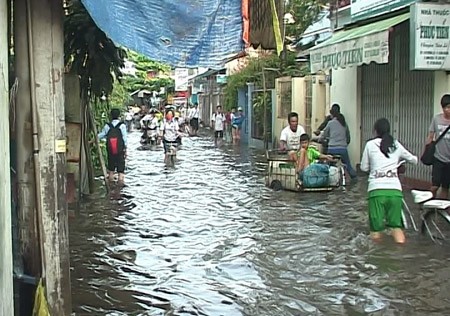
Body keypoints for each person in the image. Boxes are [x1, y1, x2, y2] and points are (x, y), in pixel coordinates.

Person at [360, 118, 418, 244]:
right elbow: (414, 160)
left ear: (375, 131)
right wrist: (398, 163)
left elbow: (363, 167)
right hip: (395, 191)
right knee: (396, 227)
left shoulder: (370, 145)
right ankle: (400, 255)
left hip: (376, 191)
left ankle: (377, 257)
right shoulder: (396, 144)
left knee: (376, 230)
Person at [320, 103, 357, 180]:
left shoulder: (330, 123)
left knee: (328, 165)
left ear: (332, 114)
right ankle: (354, 179)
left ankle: (327, 179)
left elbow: (324, 135)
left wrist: (321, 139)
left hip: (332, 149)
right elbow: (348, 138)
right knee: (348, 166)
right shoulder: (344, 123)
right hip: (343, 149)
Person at [426, 94, 450, 199]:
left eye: (449, 107)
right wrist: (426, 150)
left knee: (445, 187)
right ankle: (430, 204)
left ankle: (442, 209)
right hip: (438, 157)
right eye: (446, 107)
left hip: (449, 160)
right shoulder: (436, 119)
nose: (447, 110)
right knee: (435, 186)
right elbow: (430, 136)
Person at [98, 108, 128, 184]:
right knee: (120, 171)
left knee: (111, 169)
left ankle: (111, 186)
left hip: (110, 149)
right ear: (119, 116)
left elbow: (101, 135)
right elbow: (125, 139)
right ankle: (120, 187)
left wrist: (91, 139)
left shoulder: (107, 126)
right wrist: (126, 150)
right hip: (120, 150)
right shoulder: (122, 126)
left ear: (111, 116)